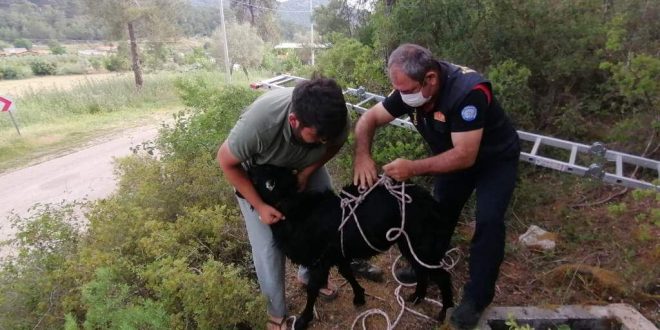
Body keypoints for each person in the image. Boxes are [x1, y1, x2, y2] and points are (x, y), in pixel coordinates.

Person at [353, 44, 520, 330]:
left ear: (430, 79)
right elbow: (369, 119)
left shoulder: (469, 92)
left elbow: (466, 155)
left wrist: (413, 167)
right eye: (398, 90)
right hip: (451, 161)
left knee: (489, 222)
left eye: (406, 90)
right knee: (438, 214)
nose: (402, 96)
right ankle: (427, 266)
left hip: (493, 160)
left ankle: (476, 298)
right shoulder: (409, 91)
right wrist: (362, 155)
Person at [217, 77, 380, 330]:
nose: (324, 141)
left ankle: (310, 274)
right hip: (258, 177)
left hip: (301, 167)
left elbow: (332, 146)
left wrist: (307, 172)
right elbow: (227, 162)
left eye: (328, 136)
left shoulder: (333, 121)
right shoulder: (261, 123)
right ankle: (276, 312)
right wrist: (260, 206)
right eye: (318, 137)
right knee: (269, 245)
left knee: (328, 216)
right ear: (295, 121)